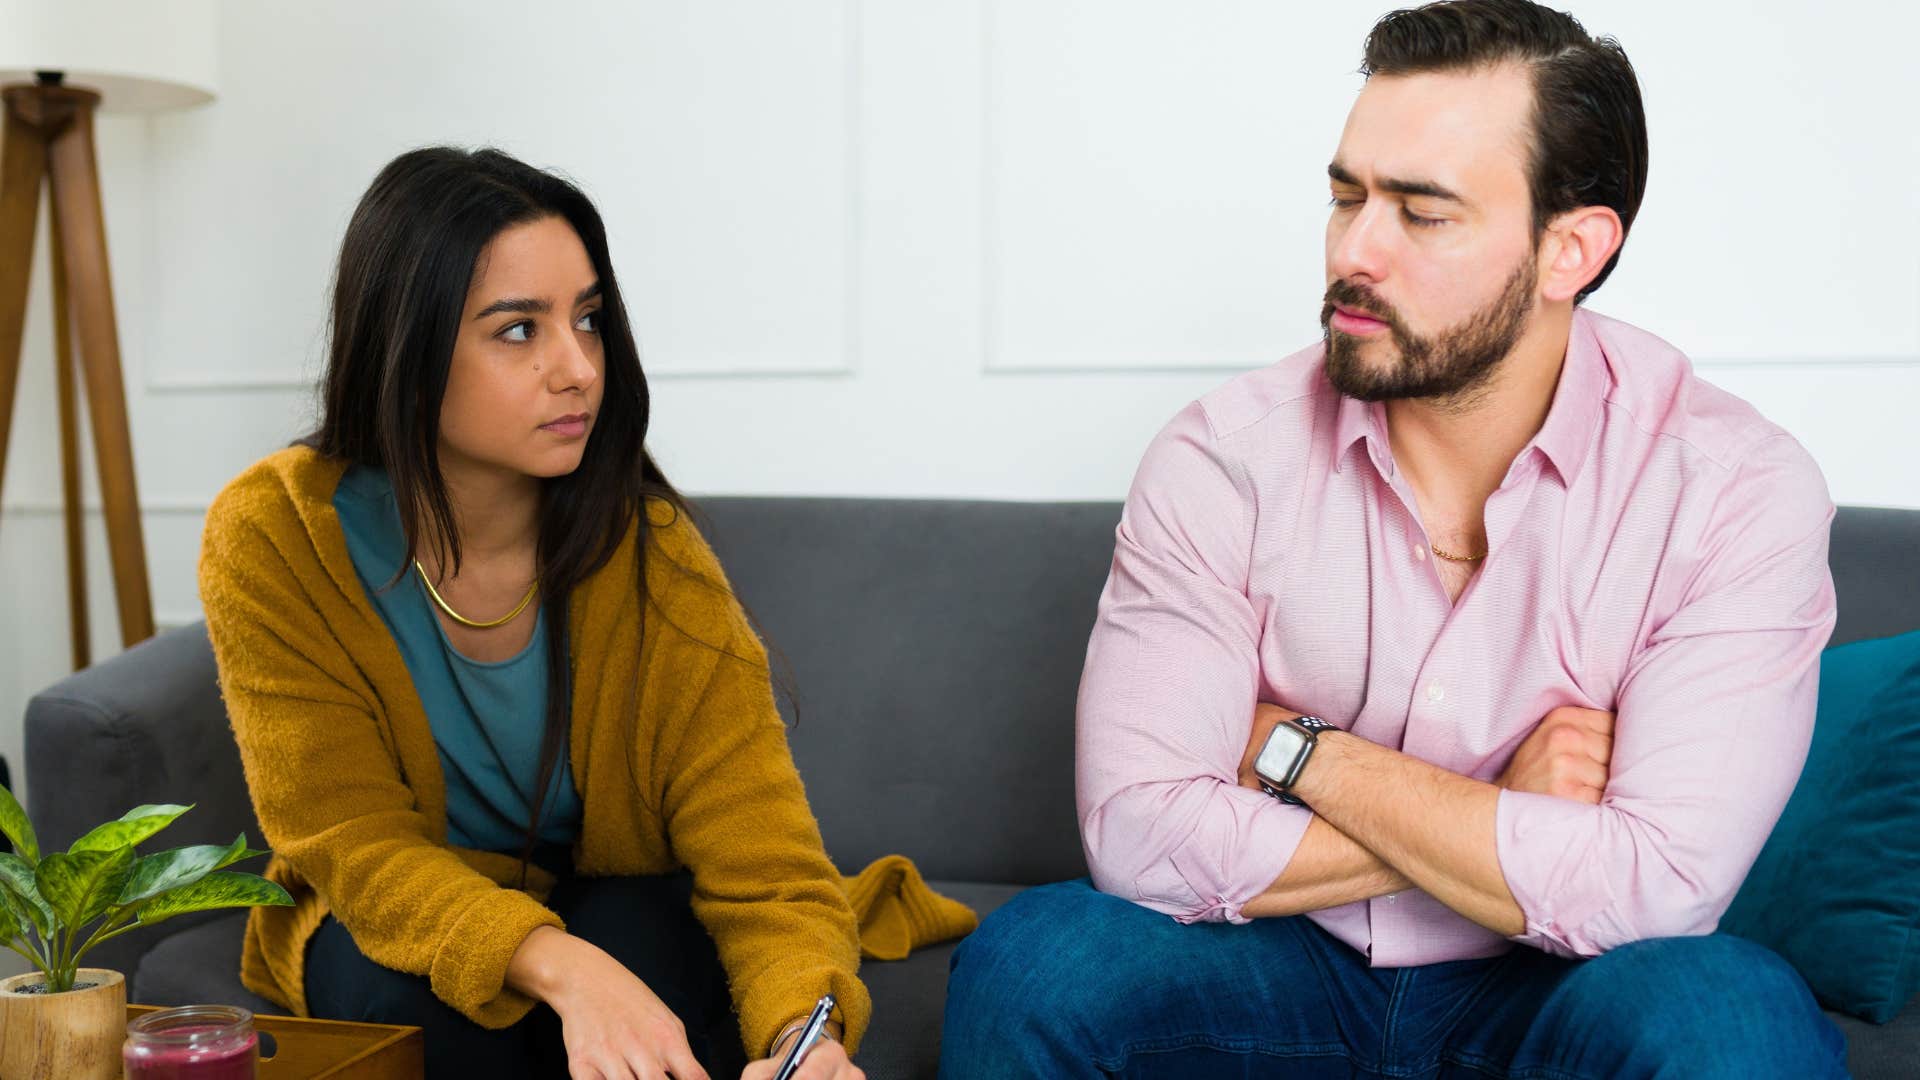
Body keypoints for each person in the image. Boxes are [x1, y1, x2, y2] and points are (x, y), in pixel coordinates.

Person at [941, 2, 1848, 1076]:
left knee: (1730, 1014)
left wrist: (1296, 752)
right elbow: (1139, 841)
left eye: (1422, 213)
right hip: (1271, 965)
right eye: (1345, 195)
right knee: (1039, 961)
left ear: (1572, 248)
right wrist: (1503, 807)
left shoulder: (1733, 489)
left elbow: (1652, 889)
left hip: (1558, 987)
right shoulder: (1221, 459)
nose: (1354, 250)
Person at [200, 147, 970, 1079]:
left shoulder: (648, 554)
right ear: (404, 346)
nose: (579, 369)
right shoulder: (277, 534)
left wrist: (805, 1045)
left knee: (650, 942)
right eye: (518, 330)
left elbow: (765, 866)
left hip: (610, 899)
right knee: (421, 1001)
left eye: (589, 318)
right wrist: (563, 969)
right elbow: (352, 846)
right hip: (406, 916)